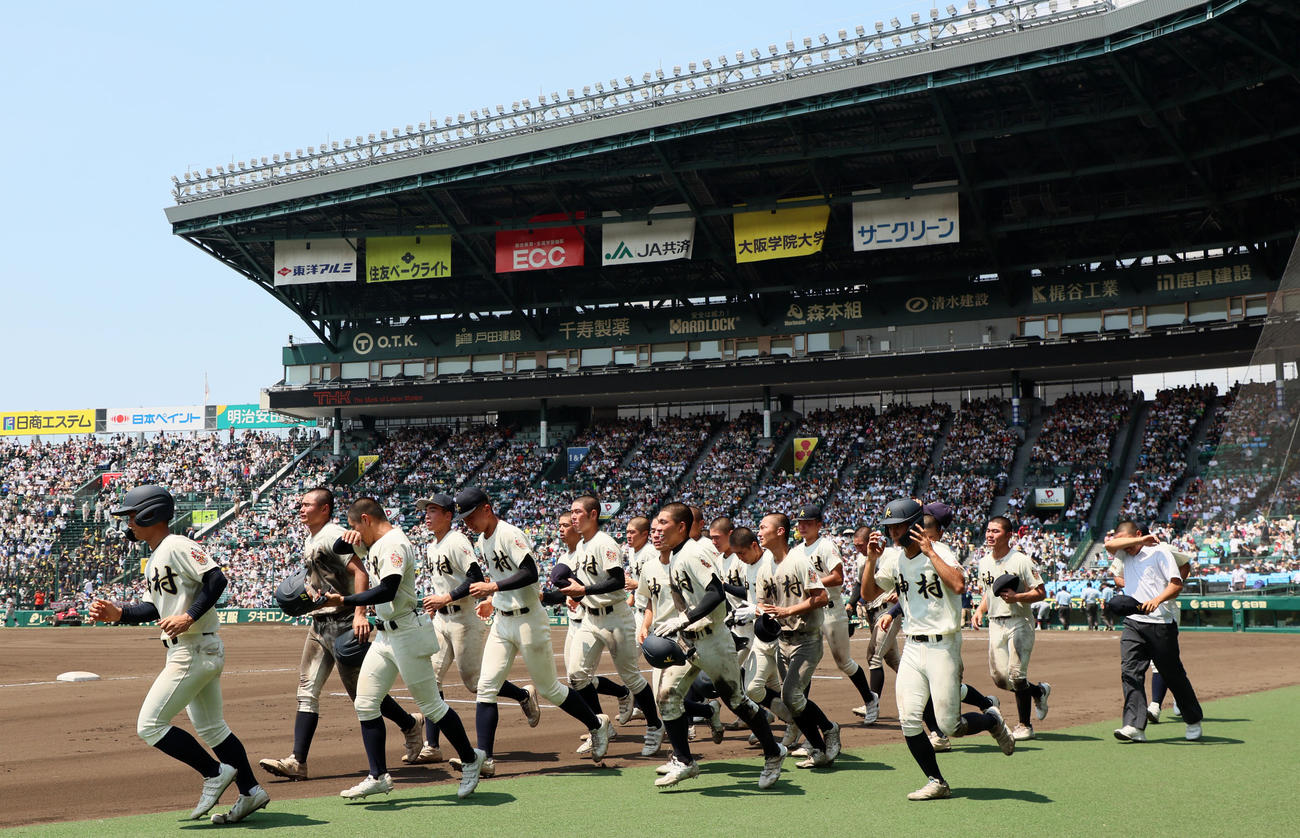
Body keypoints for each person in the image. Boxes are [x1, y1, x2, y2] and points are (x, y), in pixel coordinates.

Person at [89, 485, 269, 824]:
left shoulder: (177, 545)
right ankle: (250, 791)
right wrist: (120, 614)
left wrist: (189, 615)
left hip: (194, 649)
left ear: (149, 514)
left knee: (150, 725)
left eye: (130, 516)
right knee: (214, 728)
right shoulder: (156, 555)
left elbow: (216, 580)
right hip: (195, 649)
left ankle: (214, 773)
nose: (127, 523)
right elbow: (152, 607)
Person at [307, 497, 485, 800]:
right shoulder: (373, 542)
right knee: (365, 703)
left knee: (431, 706)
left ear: (366, 519)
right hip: (387, 636)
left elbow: (388, 588)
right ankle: (378, 775)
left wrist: (345, 601)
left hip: (407, 632)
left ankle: (471, 759)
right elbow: (340, 550)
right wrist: (346, 538)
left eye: (354, 526)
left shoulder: (394, 543)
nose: (355, 533)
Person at [259, 488, 425, 782]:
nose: (301, 508)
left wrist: (360, 614)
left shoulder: (330, 535)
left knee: (362, 696)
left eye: (307, 504)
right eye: (301, 504)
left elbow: (360, 572)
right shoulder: (314, 538)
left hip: (345, 623)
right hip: (320, 624)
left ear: (324, 510)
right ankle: (297, 761)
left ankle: (410, 723)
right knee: (306, 690)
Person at [860, 499, 1015, 802]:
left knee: (950, 726)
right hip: (913, 646)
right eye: (889, 527)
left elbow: (959, 585)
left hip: (943, 644)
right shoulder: (893, 557)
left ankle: (992, 721)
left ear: (916, 524)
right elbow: (868, 593)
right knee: (908, 719)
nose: (893, 533)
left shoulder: (940, 550)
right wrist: (870, 561)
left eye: (898, 527)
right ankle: (937, 781)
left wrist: (930, 552)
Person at [456, 487, 613, 774]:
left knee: (549, 688)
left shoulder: (509, 533)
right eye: (464, 519)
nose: (468, 523)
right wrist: (494, 598)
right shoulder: (482, 539)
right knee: (486, 687)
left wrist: (493, 587)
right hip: (503, 621)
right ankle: (485, 760)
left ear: (486, 509)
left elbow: (531, 573)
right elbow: (504, 577)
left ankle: (596, 724)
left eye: (471, 516)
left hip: (529, 620)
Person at [640, 502, 786, 789]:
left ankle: (773, 752)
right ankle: (684, 761)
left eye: (663, 523)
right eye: (655, 523)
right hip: (687, 640)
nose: (656, 528)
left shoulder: (693, 553)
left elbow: (716, 593)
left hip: (711, 637)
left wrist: (684, 618)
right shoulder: (674, 556)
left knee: (737, 701)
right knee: (667, 697)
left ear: (681, 527)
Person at [413, 493, 539, 765]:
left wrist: (448, 598)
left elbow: (474, 577)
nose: (427, 515)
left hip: (463, 619)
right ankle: (432, 745)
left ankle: (522, 694)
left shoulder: (457, 541)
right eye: (426, 511)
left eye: (433, 510)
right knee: (431, 678)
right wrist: (438, 602)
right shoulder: (431, 546)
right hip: (442, 620)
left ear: (448, 515)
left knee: (475, 684)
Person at [558, 495, 664, 756]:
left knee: (630, 676)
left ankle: (654, 724)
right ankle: (599, 726)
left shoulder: (605, 543)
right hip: (591, 617)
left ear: (593, 515)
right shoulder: (581, 546)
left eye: (577, 512)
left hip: (616, 617)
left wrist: (584, 589)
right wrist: (573, 596)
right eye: (571, 512)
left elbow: (617, 580)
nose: (573, 517)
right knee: (576, 675)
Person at [755, 512, 840, 769]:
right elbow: (763, 602)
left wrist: (788, 611)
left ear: (780, 531)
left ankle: (829, 728)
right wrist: (761, 612)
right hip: (783, 639)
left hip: (807, 638)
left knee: (791, 696)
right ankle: (819, 748)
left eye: (763, 527)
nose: (759, 532)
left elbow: (822, 597)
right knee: (793, 700)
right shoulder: (764, 566)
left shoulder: (800, 561)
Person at [1105, 521, 1203, 742]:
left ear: (1138, 533)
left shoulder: (1160, 552)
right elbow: (1110, 546)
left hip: (1160, 621)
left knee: (1172, 673)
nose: (1124, 543)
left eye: (1128, 538)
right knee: (1130, 672)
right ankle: (1134, 725)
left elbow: (1176, 584)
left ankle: (1193, 719)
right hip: (1133, 622)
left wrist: (1157, 600)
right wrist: (1137, 541)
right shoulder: (1122, 553)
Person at [791, 504, 878, 723]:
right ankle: (801, 715)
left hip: (831, 610)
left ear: (819, 525)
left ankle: (870, 699)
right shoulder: (797, 551)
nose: (802, 526)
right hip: (810, 610)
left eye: (808, 522)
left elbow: (838, 578)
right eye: (800, 522)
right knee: (806, 662)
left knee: (843, 662)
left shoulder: (826, 546)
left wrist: (810, 583)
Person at [971, 516, 1051, 741]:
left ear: (1008, 535)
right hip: (995, 622)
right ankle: (1038, 691)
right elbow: (989, 593)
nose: (989, 535)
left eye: (995, 531)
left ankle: (1025, 725)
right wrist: (979, 610)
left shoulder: (1021, 561)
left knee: (1016, 676)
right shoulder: (983, 562)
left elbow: (1041, 592)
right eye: (988, 530)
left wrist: (1018, 597)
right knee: (999, 678)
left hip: (1019, 621)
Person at [848, 526, 900, 725]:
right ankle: (926, 691)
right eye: (856, 546)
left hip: (889, 609)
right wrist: (851, 603)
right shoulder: (863, 559)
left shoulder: (891, 555)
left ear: (871, 540)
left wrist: (899, 592)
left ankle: (872, 702)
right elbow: (859, 585)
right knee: (893, 660)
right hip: (872, 610)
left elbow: (903, 579)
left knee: (874, 655)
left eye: (860, 545)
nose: (858, 549)